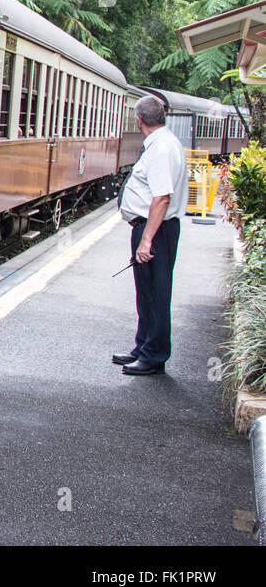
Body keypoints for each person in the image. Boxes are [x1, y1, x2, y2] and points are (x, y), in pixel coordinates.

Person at [113, 95, 188, 376]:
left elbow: (161, 198)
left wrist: (146, 240)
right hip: (152, 228)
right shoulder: (162, 144)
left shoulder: (162, 149)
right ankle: (143, 347)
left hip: (155, 230)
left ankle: (154, 355)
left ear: (139, 120)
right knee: (146, 293)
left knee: (156, 293)